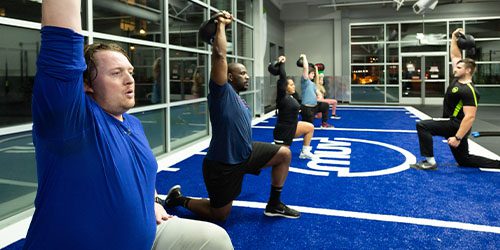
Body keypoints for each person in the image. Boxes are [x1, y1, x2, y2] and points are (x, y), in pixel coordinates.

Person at [24, 1, 233, 249]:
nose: (129, 80)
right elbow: (62, 40)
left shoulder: (132, 123)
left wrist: (152, 201)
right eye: (116, 73)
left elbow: (139, 174)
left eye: (130, 71)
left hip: (146, 233)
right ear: (87, 84)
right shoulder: (70, 122)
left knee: (215, 239)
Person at [163, 11, 300, 220]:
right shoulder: (221, 92)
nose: (247, 76)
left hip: (246, 153)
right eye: (242, 73)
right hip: (223, 164)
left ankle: (274, 204)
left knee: (284, 154)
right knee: (219, 215)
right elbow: (219, 55)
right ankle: (178, 199)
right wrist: (220, 26)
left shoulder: (238, 98)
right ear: (228, 76)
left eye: (246, 73)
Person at [410, 28, 500, 170]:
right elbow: (454, 54)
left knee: (423, 126)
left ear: (468, 70)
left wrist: (457, 138)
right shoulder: (458, 79)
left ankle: (430, 162)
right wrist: (453, 37)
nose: (455, 68)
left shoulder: (469, 90)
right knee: (464, 160)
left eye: (459, 67)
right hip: (453, 124)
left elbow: (470, 117)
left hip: (455, 124)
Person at [272, 55, 315, 159]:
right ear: (284, 88)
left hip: (293, 126)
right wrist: (281, 63)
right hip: (284, 131)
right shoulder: (282, 97)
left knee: (310, 127)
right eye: (290, 85)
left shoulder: (292, 96)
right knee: (282, 157)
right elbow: (282, 78)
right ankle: (273, 150)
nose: (294, 86)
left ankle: (305, 152)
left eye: (293, 84)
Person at [298, 54, 333, 128]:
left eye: (314, 73)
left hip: (314, 107)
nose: (314, 75)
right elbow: (305, 68)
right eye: (312, 73)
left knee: (325, 105)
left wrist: (319, 95)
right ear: (308, 74)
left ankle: (324, 124)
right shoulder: (305, 81)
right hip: (307, 108)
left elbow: (318, 93)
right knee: (308, 127)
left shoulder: (312, 84)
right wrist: (304, 57)